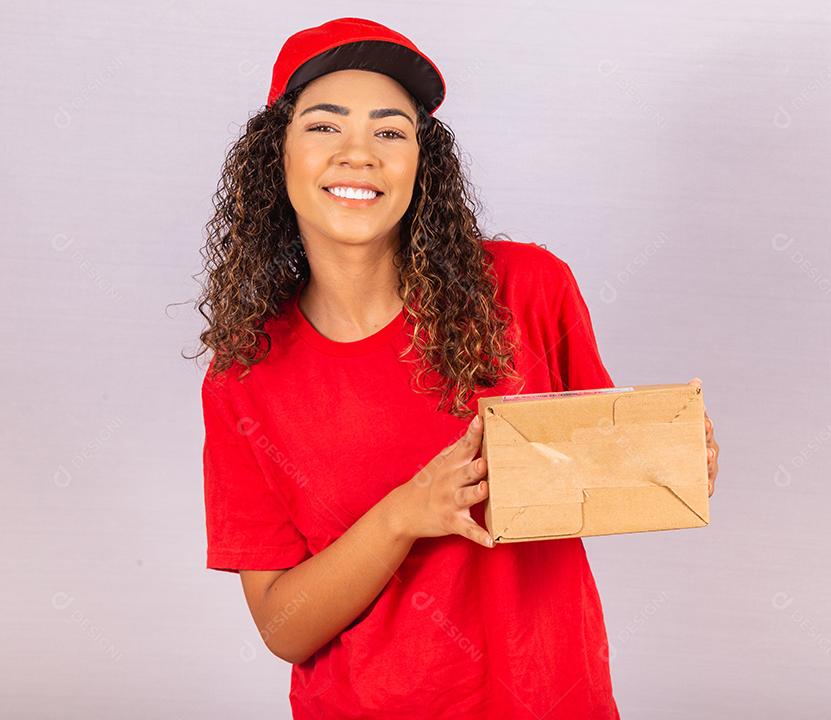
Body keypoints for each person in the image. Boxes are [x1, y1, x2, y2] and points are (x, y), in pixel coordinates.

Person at [193, 17, 720, 720]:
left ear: (422, 162)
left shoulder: (529, 288)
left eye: (390, 131)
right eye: (324, 127)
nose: (359, 153)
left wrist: (669, 461)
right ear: (275, 157)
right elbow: (285, 629)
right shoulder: (245, 377)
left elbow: (602, 478)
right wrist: (406, 514)